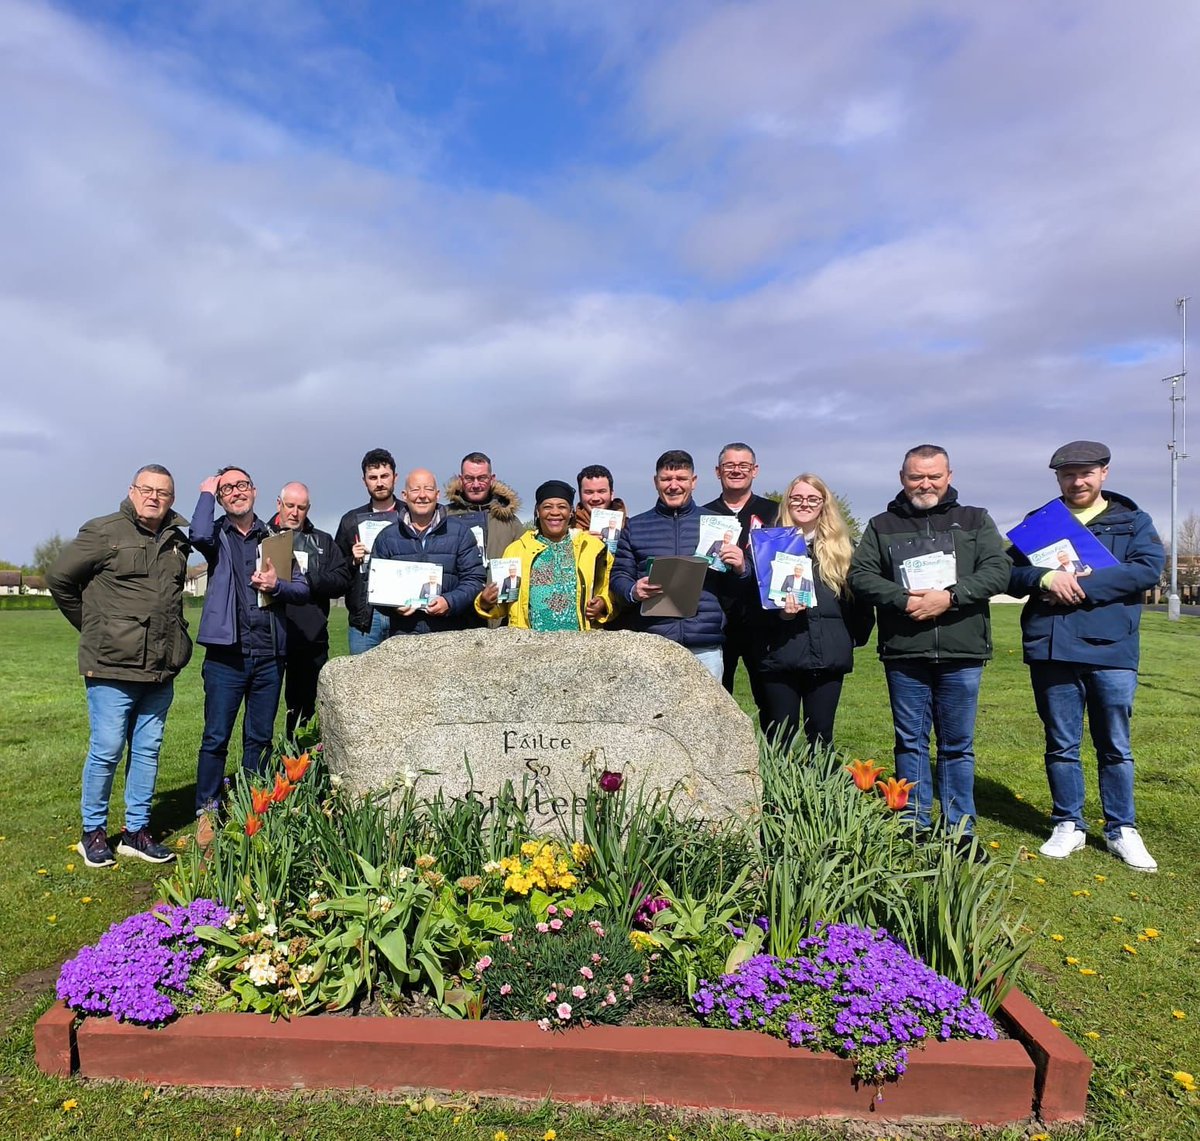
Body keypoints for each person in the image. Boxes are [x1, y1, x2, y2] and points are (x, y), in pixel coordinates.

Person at [1008, 441, 1164, 871]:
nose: (1077, 481)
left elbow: (1146, 569)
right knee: (1061, 743)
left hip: (1112, 649)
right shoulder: (1040, 522)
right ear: (1058, 477)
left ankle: (1121, 828)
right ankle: (1068, 824)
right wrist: (1045, 579)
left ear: (1104, 473)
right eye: (1068, 474)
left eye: (1086, 473)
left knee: (1115, 745)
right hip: (1052, 647)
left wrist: (1078, 585)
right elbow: (1009, 573)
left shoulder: (1132, 520)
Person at [849, 445, 1010, 853]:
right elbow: (861, 575)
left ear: (949, 476)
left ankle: (960, 830)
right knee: (910, 741)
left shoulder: (975, 519)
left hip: (962, 651)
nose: (925, 484)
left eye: (934, 476)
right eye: (916, 476)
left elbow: (998, 570)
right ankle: (912, 823)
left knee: (957, 745)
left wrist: (950, 598)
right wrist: (902, 600)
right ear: (902, 478)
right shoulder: (882, 525)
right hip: (905, 650)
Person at [47, 465, 192, 867]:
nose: (154, 497)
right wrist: (95, 627)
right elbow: (59, 579)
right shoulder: (103, 531)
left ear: (171, 498)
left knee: (147, 751)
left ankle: (136, 832)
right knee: (108, 749)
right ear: (131, 491)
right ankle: (92, 832)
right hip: (112, 666)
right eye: (146, 489)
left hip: (160, 667)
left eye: (162, 492)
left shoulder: (178, 540)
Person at [190, 467, 309, 828]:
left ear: (254, 491)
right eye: (227, 488)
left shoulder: (275, 538)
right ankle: (207, 811)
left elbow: (302, 589)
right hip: (225, 657)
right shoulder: (216, 536)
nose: (236, 492)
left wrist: (277, 586)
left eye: (242, 485)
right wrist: (206, 492)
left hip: (269, 656)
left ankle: (250, 807)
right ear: (220, 497)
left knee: (259, 738)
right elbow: (197, 533)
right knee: (216, 738)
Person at [753, 474, 873, 752]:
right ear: (787, 502)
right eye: (797, 498)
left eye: (812, 499)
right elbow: (754, 605)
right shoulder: (768, 545)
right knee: (780, 737)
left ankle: (820, 780)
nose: (804, 504)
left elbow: (861, 604)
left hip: (827, 656)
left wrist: (848, 640)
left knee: (821, 735)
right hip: (780, 653)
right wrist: (783, 616)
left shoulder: (844, 548)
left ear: (823, 504)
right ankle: (780, 781)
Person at [611, 450, 743, 679]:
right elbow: (619, 575)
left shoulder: (719, 525)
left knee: (705, 704)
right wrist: (633, 590)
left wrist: (741, 568)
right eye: (666, 479)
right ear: (656, 482)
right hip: (653, 643)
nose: (674, 486)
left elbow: (735, 587)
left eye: (681, 478)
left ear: (694, 481)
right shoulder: (635, 527)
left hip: (704, 645)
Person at [268, 481, 352, 737]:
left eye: (301, 507)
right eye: (290, 505)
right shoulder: (261, 536)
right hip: (268, 636)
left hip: (309, 638)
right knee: (263, 709)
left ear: (308, 508)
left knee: (303, 711)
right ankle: (263, 761)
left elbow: (342, 580)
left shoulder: (322, 541)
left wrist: (309, 580)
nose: (295, 513)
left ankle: (300, 759)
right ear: (279, 504)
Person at [702, 443, 778, 721]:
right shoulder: (703, 514)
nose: (736, 471)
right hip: (717, 620)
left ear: (754, 470)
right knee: (716, 702)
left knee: (771, 701)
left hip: (763, 620)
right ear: (718, 471)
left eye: (743, 465)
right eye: (730, 466)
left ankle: (774, 750)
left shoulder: (774, 512)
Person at [476, 480, 614, 629]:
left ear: (571, 512)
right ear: (537, 511)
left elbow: (611, 593)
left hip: (581, 642)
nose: (555, 512)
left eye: (562, 507)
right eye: (547, 507)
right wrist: (485, 602)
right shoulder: (517, 550)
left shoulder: (594, 548)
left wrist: (603, 603)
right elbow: (503, 603)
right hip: (529, 641)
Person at [370, 469, 486, 634]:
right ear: (404, 495)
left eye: (429, 489)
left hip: (451, 634)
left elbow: (475, 579)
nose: (422, 495)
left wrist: (449, 602)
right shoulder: (387, 537)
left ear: (437, 495)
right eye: (415, 489)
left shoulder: (461, 533)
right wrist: (393, 606)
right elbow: (374, 585)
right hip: (403, 635)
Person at [334, 448, 400, 654]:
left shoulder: (410, 515)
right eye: (373, 477)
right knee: (361, 675)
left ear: (395, 477)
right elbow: (335, 570)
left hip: (403, 616)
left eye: (384, 476)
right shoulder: (350, 521)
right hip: (365, 619)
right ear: (364, 481)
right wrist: (352, 560)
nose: (379, 483)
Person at [445, 451, 525, 563]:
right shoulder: (443, 517)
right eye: (469, 478)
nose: (476, 485)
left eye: (482, 478)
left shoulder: (510, 522)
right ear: (461, 479)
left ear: (492, 479)